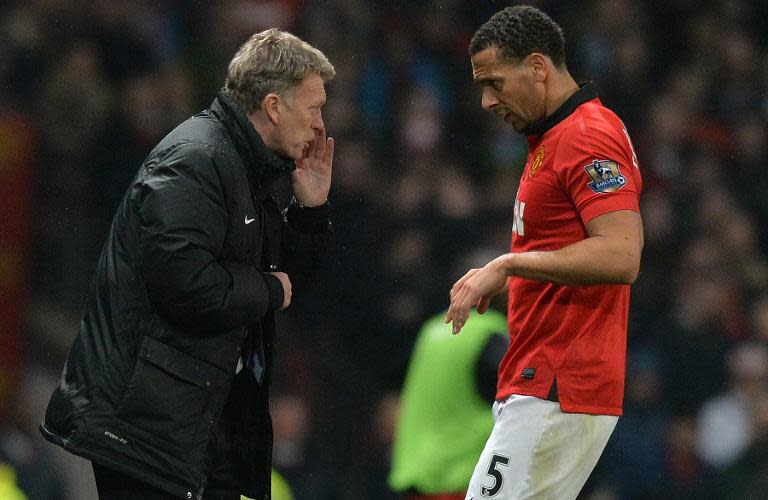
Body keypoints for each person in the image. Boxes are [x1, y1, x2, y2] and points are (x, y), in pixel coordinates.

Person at [40, 28, 335, 500]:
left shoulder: (247, 169)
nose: (321, 125)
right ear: (275, 107)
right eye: (314, 107)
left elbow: (290, 282)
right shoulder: (196, 160)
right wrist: (271, 289)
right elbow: (188, 286)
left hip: (194, 427)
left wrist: (311, 211)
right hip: (142, 433)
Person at [445, 6, 643, 500]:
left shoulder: (586, 135)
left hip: (558, 381)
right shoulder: (552, 139)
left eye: (494, 83)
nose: (487, 101)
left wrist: (509, 263)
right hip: (546, 381)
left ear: (537, 66)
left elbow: (621, 254)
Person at [389, 309, 508, 499]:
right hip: (459, 478)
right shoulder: (490, 332)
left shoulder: (431, 329)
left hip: (416, 475)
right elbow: (518, 396)